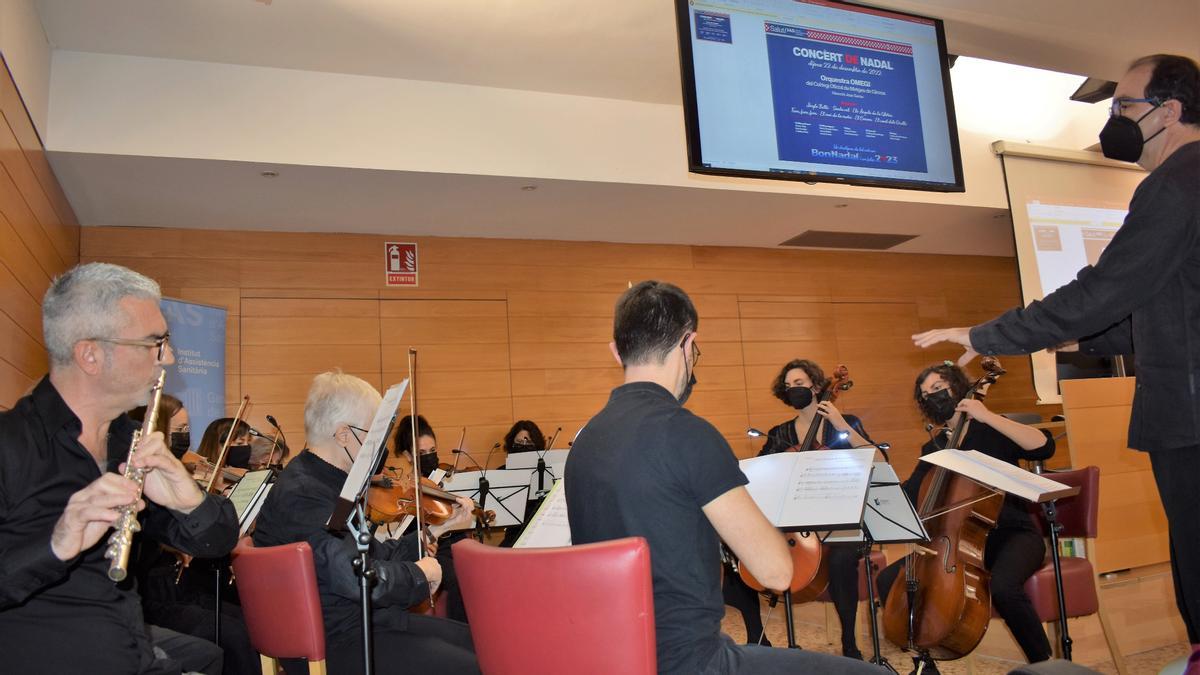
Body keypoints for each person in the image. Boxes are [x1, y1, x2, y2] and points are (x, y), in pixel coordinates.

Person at [912, 54, 1200, 649]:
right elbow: (1159, 308)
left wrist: (984, 335)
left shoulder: (1173, 185)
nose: (1113, 119)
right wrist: (1078, 332)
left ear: (1169, 111)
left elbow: (1104, 291)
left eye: (1123, 104)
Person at [565, 280, 876, 675]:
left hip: (613, 657)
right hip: (690, 662)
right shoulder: (687, 433)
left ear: (616, 352)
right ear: (687, 343)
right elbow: (777, 573)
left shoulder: (585, 439)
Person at [0, 262, 239, 674]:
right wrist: (57, 543)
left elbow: (217, 542)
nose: (169, 358)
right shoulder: (10, 445)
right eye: (154, 343)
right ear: (90, 354)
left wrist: (190, 501)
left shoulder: (131, 443)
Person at [253, 371, 479, 675]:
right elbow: (359, 577)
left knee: (484, 643)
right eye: (374, 433)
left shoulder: (325, 481)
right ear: (344, 435)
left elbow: (373, 555)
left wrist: (434, 530)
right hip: (336, 642)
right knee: (475, 665)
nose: (381, 444)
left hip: (365, 623)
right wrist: (419, 575)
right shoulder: (304, 493)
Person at [875, 362, 1055, 669]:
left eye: (937, 388)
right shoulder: (934, 447)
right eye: (925, 394)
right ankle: (925, 661)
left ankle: (1045, 665)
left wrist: (986, 415)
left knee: (1003, 587)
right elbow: (910, 494)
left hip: (1011, 533)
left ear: (958, 388)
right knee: (890, 579)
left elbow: (1044, 447)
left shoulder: (990, 431)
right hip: (955, 544)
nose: (931, 396)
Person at [723, 359, 871, 656]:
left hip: (840, 525)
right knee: (740, 557)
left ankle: (849, 644)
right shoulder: (781, 433)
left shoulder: (844, 422)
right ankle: (757, 635)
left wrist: (842, 425)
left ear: (817, 387)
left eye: (799, 384)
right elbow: (760, 475)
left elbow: (875, 460)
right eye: (788, 386)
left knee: (842, 559)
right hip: (797, 527)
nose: (793, 390)